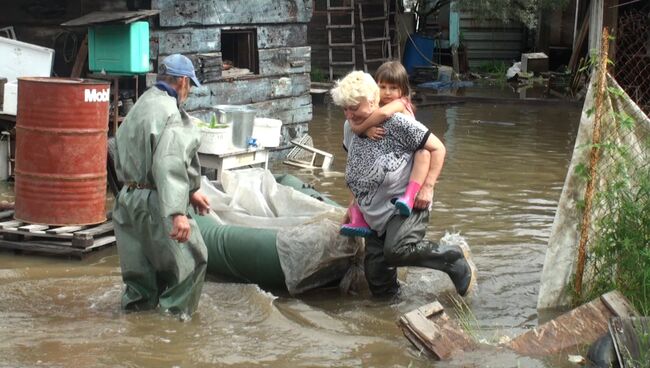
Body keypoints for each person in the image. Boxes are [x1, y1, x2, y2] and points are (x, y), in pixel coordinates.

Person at [331, 71, 475, 297]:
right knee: (377, 279)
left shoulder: (398, 123)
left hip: (407, 203)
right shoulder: (350, 127)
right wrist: (353, 204)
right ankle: (391, 320)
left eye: (354, 107)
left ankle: (451, 258)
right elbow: (357, 167)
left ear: (371, 100)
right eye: (344, 109)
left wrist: (428, 187)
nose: (349, 114)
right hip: (373, 210)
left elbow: (437, 149)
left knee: (396, 250)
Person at [112, 53, 211, 317]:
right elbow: (169, 162)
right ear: (181, 81)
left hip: (127, 200)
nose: (188, 90)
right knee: (192, 263)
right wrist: (178, 213)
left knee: (139, 279)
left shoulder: (141, 105)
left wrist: (192, 190)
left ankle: (137, 328)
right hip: (159, 202)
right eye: (189, 84)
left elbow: (114, 148)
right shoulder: (171, 112)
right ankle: (172, 333)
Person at [340, 61, 430, 237]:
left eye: (393, 88)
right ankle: (358, 212)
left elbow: (381, 115)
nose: (387, 93)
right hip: (383, 176)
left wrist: (360, 128)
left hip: (412, 154)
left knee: (423, 154)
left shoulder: (401, 104)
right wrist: (364, 129)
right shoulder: (372, 108)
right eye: (382, 87)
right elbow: (355, 117)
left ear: (403, 90)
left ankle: (410, 195)